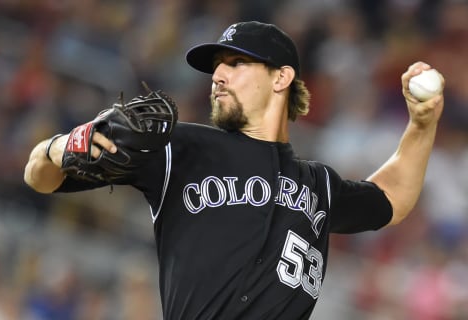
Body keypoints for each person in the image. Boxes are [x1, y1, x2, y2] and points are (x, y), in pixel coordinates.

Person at [24, 21, 445, 319]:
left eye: (236, 63)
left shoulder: (318, 185)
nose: (218, 75)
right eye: (216, 66)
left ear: (281, 77)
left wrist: (422, 125)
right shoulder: (178, 148)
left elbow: (393, 197)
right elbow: (38, 176)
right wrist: (61, 147)